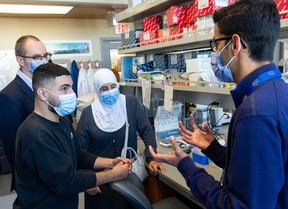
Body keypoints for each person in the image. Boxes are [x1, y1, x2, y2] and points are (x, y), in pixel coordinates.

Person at [149, 0, 288, 208]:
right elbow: (259, 173)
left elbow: (237, 206)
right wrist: (213, 148)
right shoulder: (277, 92)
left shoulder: (255, 113)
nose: (215, 54)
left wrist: (185, 165)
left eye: (216, 44)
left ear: (235, 44)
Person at [14, 63, 131, 209]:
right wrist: (114, 174)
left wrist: (110, 163)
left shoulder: (62, 120)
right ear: (43, 94)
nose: (71, 93)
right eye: (64, 88)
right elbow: (67, 182)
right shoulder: (35, 133)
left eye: (71, 86)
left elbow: (79, 156)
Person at [76, 68, 166, 209]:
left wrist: (152, 158)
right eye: (104, 89)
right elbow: (79, 152)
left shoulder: (130, 103)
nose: (110, 92)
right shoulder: (88, 114)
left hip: (128, 176)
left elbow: (146, 131)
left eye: (113, 86)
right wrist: (87, 179)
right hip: (100, 182)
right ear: (97, 90)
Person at [0, 35, 50, 191]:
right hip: (33, 182)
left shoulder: (46, 87)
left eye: (45, 56)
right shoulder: (9, 96)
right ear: (21, 61)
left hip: (54, 172)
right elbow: (15, 148)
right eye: (36, 57)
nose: (43, 60)